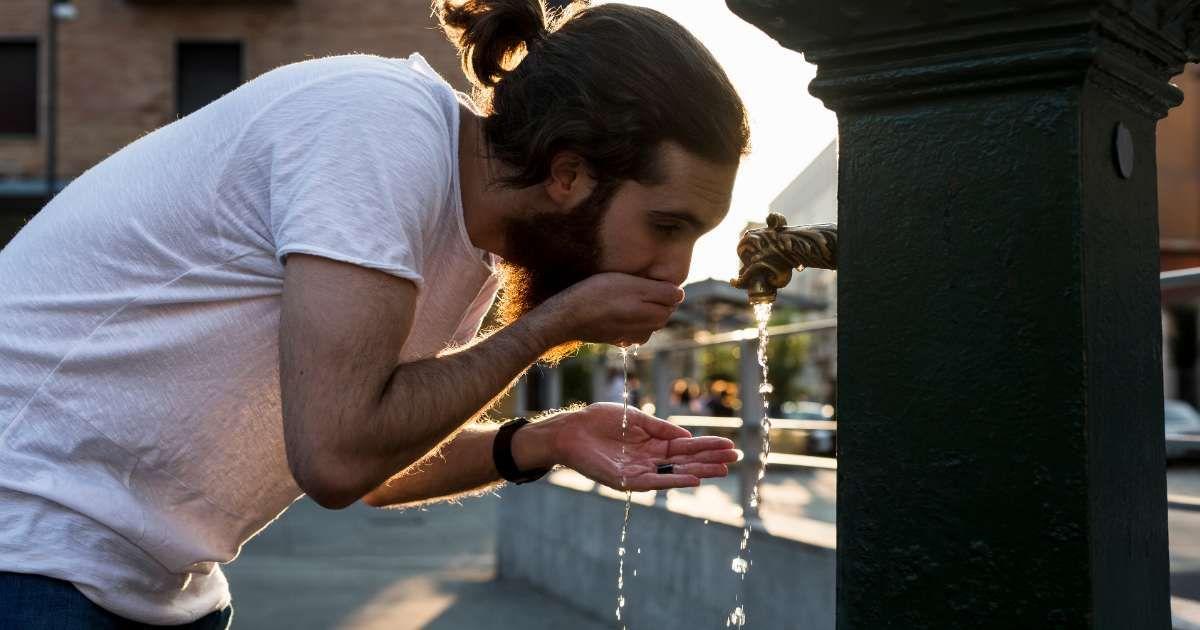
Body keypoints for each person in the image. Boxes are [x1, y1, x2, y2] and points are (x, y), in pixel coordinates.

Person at [0, 0, 749, 627]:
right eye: (667, 225)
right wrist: (543, 329)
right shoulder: (377, 130)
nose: (674, 270)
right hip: (28, 548)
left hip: (142, 583)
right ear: (568, 173)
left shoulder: (469, 242)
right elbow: (337, 456)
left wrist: (545, 439)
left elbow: (375, 470)